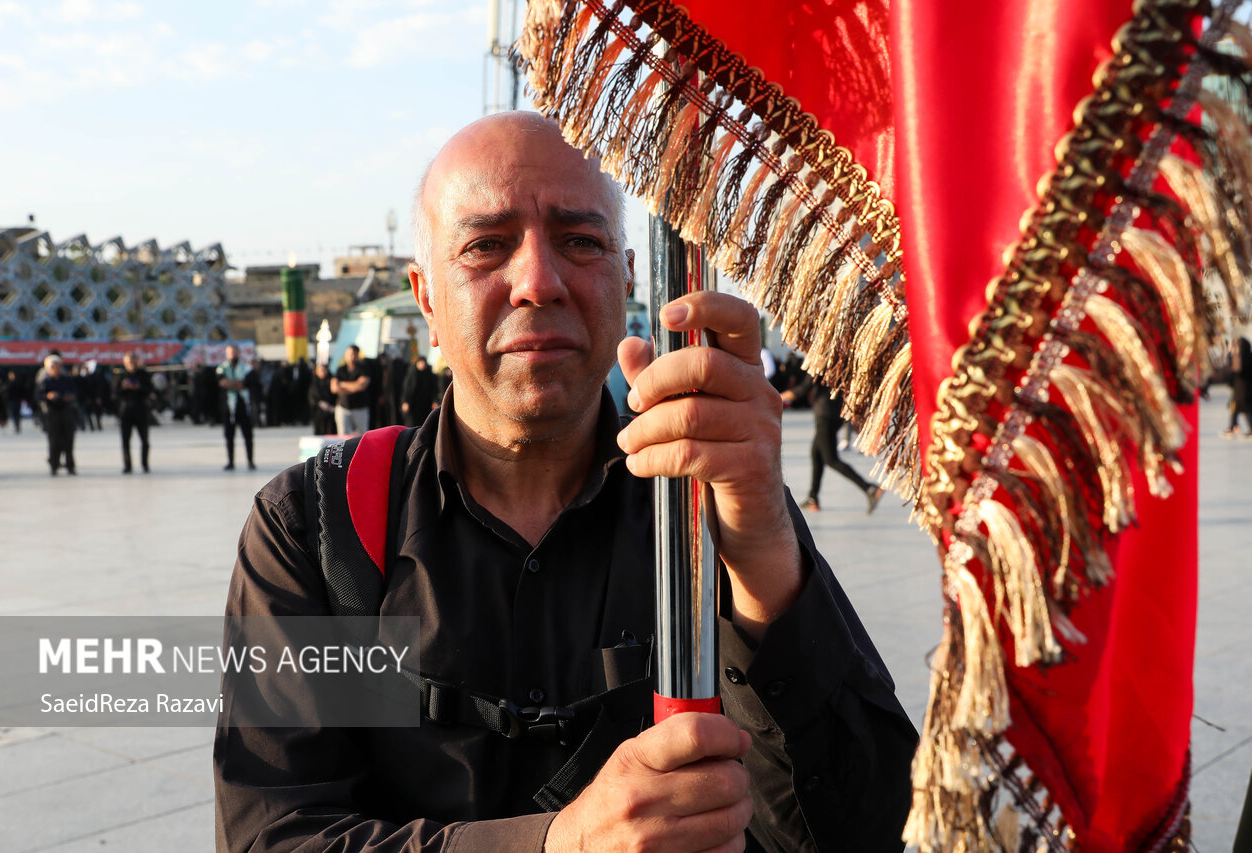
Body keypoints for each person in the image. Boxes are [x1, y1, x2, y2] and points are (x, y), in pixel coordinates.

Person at [214, 112, 916, 852]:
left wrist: (764, 543)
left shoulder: (703, 502)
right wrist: (560, 842)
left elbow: (870, 825)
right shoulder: (319, 527)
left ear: (627, 277)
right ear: (425, 298)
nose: (539, 282)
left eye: (580, 241)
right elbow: (276, 833)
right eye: (486, 245)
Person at [782, 375, 882, 513]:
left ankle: (869, 488)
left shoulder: (821, 362)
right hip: (835, 413)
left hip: (825, 414)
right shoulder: (837, 362)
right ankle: (813, 497)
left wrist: (783, 395)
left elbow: (804, 388)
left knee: (831, 460)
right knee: (816, 453)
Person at [36, 354, 78, 475]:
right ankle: (54, 465)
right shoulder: (45, 381)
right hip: (52, 413)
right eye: (53, 366)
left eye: (58, 366)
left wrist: (70, 397)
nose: (56, 369)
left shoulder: (67, 380)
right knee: (54, 441)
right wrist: (48, 396)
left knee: (69, 440)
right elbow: (38, 396)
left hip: (66, 412)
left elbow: (75, 393)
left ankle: (70, 465)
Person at [217, 345, 256, 471]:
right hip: (229, 407)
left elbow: (248, 383)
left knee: (248, 435)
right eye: (230, 352)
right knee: (229, 436)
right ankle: (230, 462)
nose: (232, 354)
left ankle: (250, 461)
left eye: (234, 352)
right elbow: (222, 382)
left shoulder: (247, 368)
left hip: (243, 406)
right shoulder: (222, 368)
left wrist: (230, 383)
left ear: (239, 352)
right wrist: (238, 384)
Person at [116, 352, 153, 473]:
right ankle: (127, 466)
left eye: (132, 362)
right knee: (125, 441)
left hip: (141, 411)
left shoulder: (143, 375)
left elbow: (150, 391)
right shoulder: (121, 376)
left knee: (145, 441)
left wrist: (138, 387)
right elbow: (115, 393)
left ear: (136, 361)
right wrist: (123, 387)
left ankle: (145, 464)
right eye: (128, 363)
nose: (131, 365)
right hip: (126, 412)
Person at [331, 344, 372, 434]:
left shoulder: (363, 369)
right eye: (350, 354)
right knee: (342, 437)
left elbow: (361, 386)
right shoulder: (340, 370)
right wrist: (353, 386)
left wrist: (342, 384)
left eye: (354, 354)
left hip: (360, 408)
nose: (351, 356)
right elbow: (334, 388)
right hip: (343, 407)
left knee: (362, 436)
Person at [1224, 336, 1252, 438]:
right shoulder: (1246, 357)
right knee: (1235, 409)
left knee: (1246, 410)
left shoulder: (1243, 359)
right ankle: (1233, 426)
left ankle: (1235, 427)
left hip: (1243, 390)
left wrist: (1231, 353)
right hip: (1241, 390)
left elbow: (1235, 370)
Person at [399, 354, 438, 426]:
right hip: (413, 405)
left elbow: (433, 389)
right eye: (421, 363)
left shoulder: (429, 375)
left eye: (424, 363)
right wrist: (405, 401)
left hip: (425, 405)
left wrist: (434, 401)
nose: (422, 365)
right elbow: (406, 389)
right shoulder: (412, 373)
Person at [307, 362, 336, 435]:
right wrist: (319, 403)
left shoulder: (332, 380)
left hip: (331, 412)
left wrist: (333, 407)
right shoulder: (314, 382)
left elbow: (336, 395)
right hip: (318, 412)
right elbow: (311, 397)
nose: (322, 372)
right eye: (320, 370)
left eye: (324, 370)